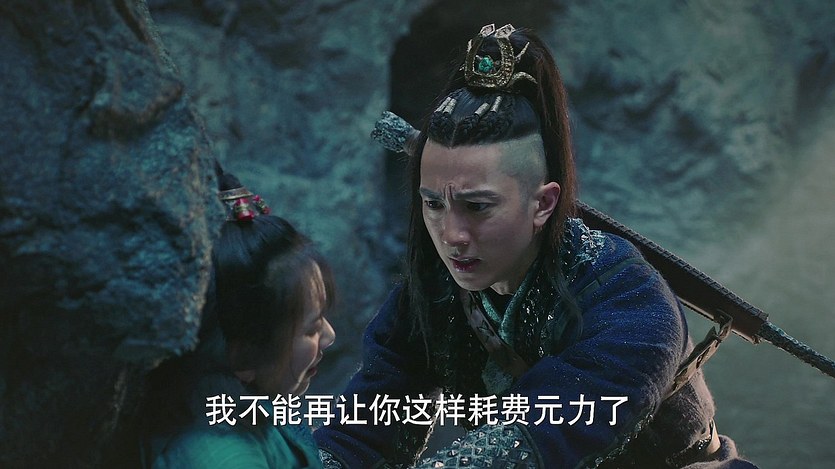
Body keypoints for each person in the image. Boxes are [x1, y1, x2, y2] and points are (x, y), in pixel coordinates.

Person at [314, 24, 756, 468]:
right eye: (434, 204)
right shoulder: (434, 289)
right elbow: (362, 429)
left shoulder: (631, 304)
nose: (451, 234)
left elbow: (526, 449)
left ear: (543, 203)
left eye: (477, 206)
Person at [139, 164, 336, 468]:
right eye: (311, 329)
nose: (329, 336)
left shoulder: (257, 402)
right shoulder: (222, 458)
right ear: (243, 357)